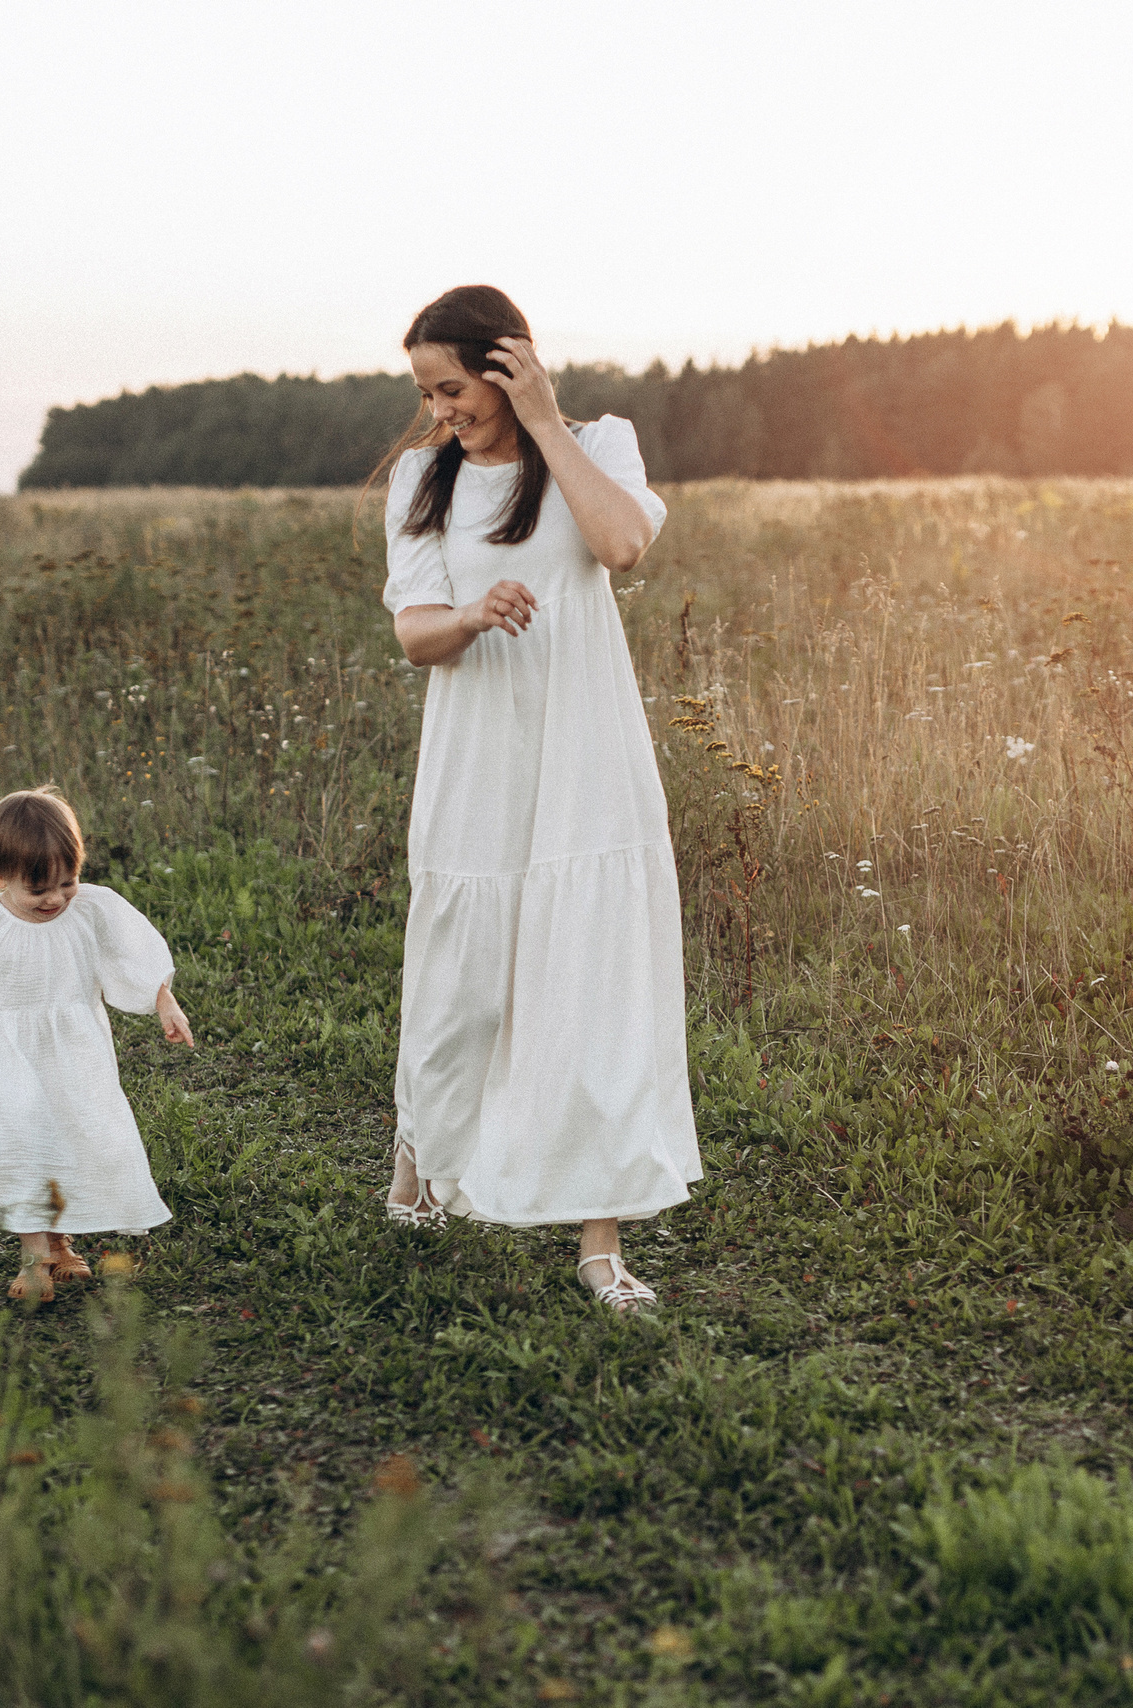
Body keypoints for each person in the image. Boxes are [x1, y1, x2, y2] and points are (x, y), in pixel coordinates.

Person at [376, 284, 700, 1313]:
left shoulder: (598, 443)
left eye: (453, 389)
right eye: (427, 395)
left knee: (594, 982)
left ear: (508, 366)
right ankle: (421, 1150)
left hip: (587, 750)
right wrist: (473, 615)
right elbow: (415, 634)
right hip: (479, 750)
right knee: (463, 981)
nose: (440, 413)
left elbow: (622, 545)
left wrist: (547, 422)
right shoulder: (422, 480)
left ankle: (599, 1244)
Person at [0, 786, 194, 1301]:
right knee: (25, 1141)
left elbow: (132, 958)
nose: (56, 899)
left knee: (75, 1138)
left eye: (68, 882)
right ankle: (34, 1259)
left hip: (80, 1054)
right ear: (0, 876)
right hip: (12, 1057)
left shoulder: (92, 910)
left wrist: (164, 1001)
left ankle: (60, 1244)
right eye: (38, 889)